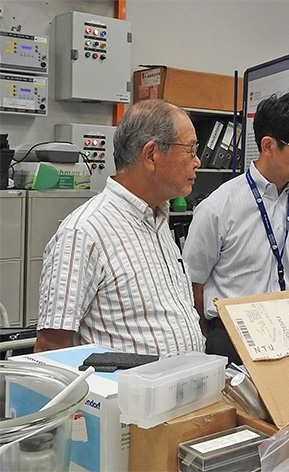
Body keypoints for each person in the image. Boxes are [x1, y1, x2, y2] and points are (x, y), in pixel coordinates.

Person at [35, 99, 205, 355]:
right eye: (190, 150)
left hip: (180, 387)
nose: (197, 162)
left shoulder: (157, 220)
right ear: (151, 155)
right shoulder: (84, 233)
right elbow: (52, 346)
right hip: (122, 393)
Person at [182, 92, 289, 364]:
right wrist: (211, 335)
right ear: (269, 145)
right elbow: (194, 284)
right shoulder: (219, 207)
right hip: (233, 339)